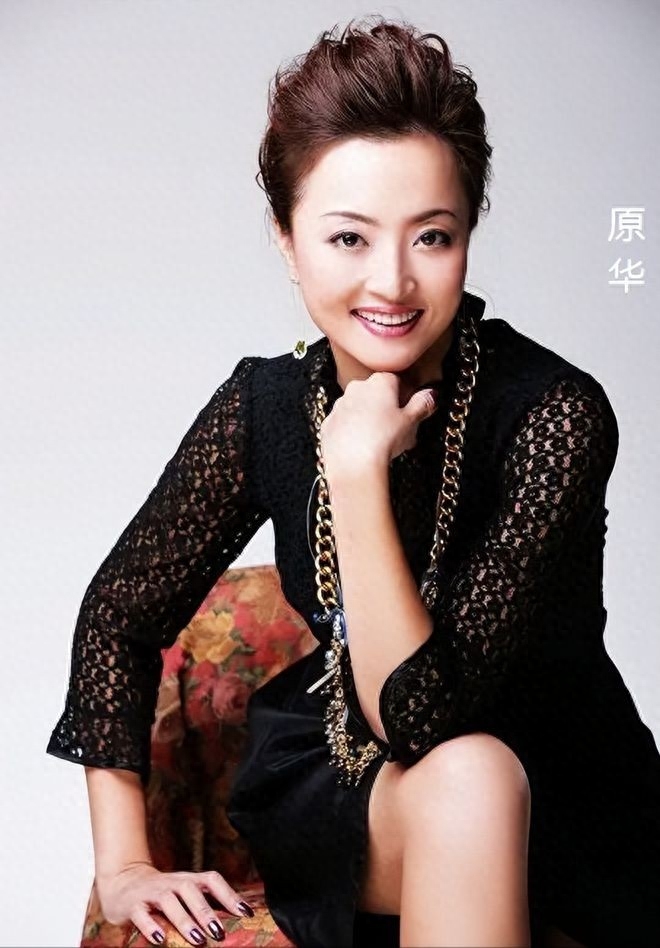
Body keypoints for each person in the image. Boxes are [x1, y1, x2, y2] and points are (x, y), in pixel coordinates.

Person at [46, 15, 660, 948]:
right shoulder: (265, 406)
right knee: (468, 782)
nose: (392, 283)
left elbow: (421, 713)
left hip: (568, 808)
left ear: (469, 236)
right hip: (364, 786)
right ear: (287, 240)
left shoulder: (554, 413)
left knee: (476, 774)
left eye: (432, 237)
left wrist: (356, 471)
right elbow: (116, 618)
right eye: (348, 239)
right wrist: (123, 863)